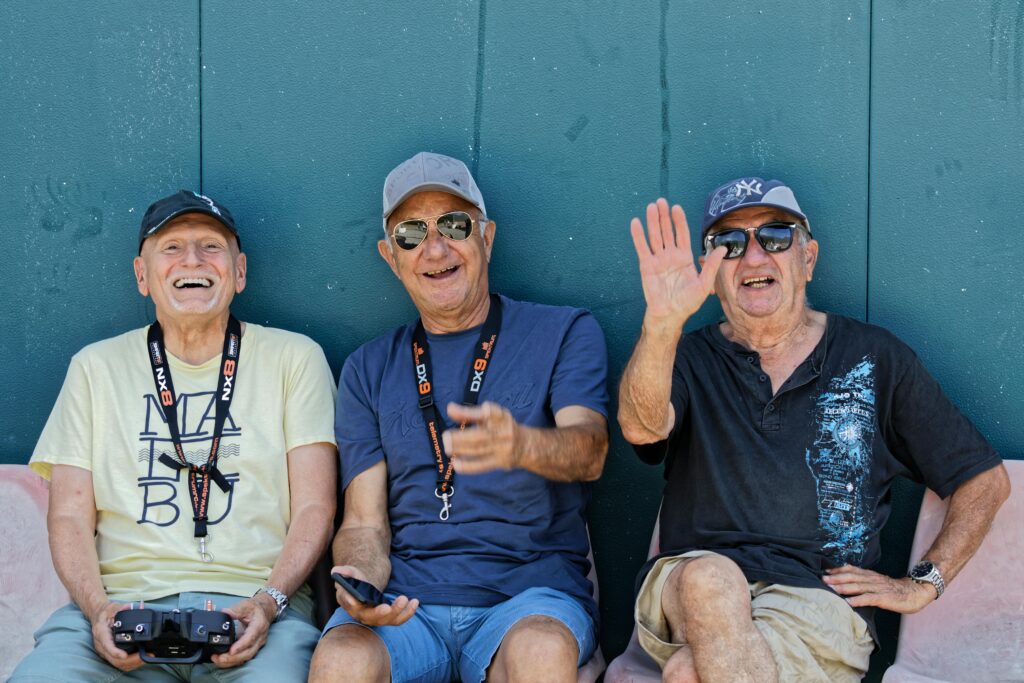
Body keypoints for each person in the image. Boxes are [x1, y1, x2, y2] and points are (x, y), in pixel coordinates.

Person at [617, 177, 1010, 682]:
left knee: (687, 674)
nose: (754, 257)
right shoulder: (685, 356)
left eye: (776, 237)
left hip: (819, 605)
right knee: (711, 581)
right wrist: (661, 324)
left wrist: (921, 584)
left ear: (808, 258)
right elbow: (641, 427)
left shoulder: (875, 358)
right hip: (687, 585)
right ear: (710, 272)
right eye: (729, 244)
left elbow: (984, 481)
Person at [11, 190, 338, 682]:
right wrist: (99, 610)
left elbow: (316, 506)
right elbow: (69, 515)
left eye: (211, 246)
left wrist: (268, 603)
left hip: (253, 611)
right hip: (121, 613)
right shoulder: (94, 368)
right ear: (142, 275)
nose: (192, 260)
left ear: (240, 270)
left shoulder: (295, 359)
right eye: (171, 247)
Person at [308, 152, 609, 683]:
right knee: (341, 659)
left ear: (486, 237)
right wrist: (362, 582)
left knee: (539, 650)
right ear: (390, 255)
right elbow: (363, 521)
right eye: (410, 233)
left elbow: (590, 450)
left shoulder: (562, 331)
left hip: (528, 598)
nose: (436, 247)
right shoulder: (368, 367)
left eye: (454, 224)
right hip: (407, 606)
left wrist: (523, 447)